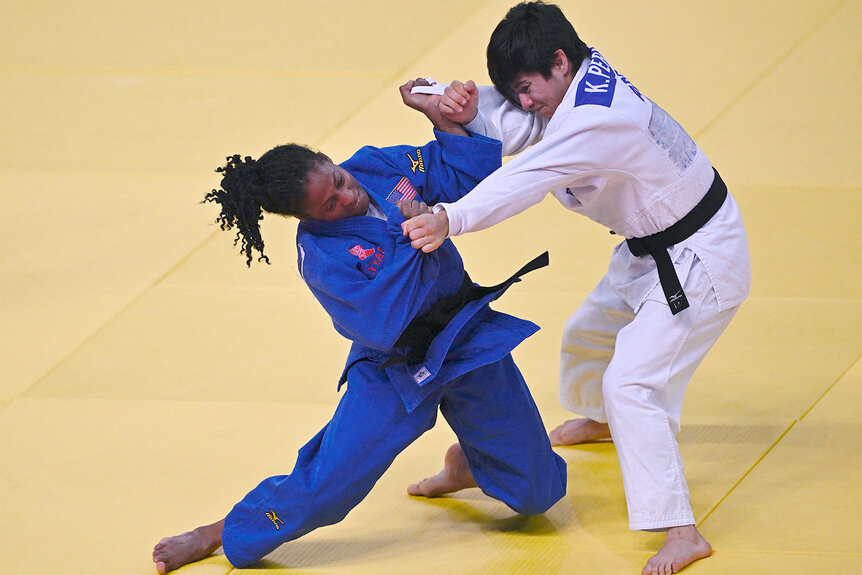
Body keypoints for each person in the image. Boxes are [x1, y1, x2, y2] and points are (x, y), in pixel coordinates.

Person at [152, 80, 566, 574]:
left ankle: (465, 465)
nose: (347, 197)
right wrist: (416, 231)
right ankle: (222, 530)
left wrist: (445, 121)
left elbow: (458, 176)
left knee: (537, 493)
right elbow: (381, 319)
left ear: (333, 160)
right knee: (329, 487)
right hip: (397, 368)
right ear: (305, 219)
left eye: (339, 180)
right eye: (328, 205)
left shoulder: (376, 165)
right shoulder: (320, 257)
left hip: (465, 338)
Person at [400, 3, 751, 574]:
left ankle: (681, 529)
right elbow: (525, 118)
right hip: (654, 245)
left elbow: (528, 174)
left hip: (699, 263)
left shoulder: (600, 117)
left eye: (526, 86)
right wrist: (450, 105)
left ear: (558, 62)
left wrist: (450, 218)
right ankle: (604, 423)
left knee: (631, 383)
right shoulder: (576, 81)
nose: (526, 100)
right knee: (590, 333)